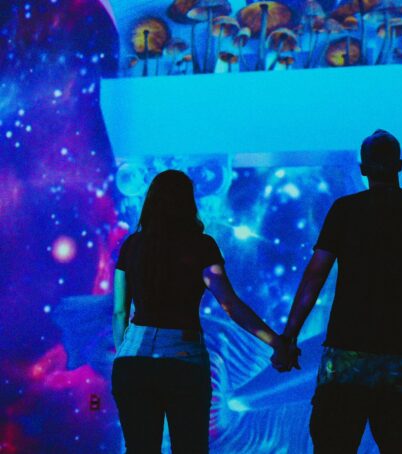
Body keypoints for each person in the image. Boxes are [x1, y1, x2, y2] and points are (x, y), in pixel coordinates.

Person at [273, 129, 402, 453]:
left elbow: (315, 276)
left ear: (363, 168)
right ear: (399, 165)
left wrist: (289, 336)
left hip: (346, 355)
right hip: (401, 356)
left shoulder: (345, 210)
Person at [112, 170, 291, 453]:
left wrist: (124, 354)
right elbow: (230, 305)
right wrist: (276, 341)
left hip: (133, 361)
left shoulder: (132, 246)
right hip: (184, 360)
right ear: (188, 203)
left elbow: (120, 313)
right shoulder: (202, 246)